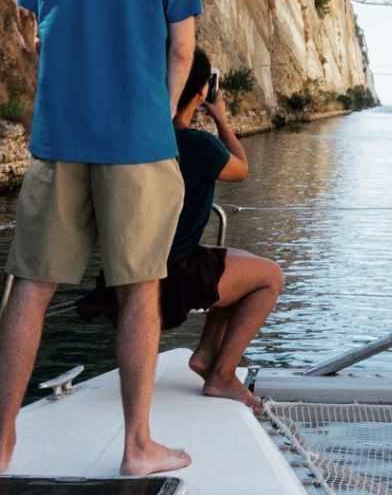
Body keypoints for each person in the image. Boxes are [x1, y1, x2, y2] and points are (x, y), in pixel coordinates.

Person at [0, 0, 201, 476]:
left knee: (31, 285)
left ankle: (1, 441)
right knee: (140, 287)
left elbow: (37, 31)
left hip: (59, 137)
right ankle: (138, 447)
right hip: (137, 142)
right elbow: (181, 49)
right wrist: (161, 114)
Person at [77, 48, 284, 413]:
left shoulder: (138, 135)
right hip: (175, 273)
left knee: (246, 262)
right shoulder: (197, 145)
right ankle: (222, 376)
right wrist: (221, 118)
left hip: (127, 268)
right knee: (269, 277)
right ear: (201, 92)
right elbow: (241, 168)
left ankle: (205, 356)